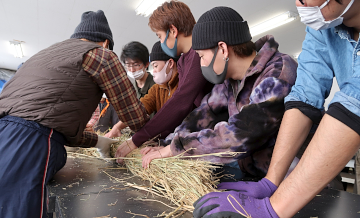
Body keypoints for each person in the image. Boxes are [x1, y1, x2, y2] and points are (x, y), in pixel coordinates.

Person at [192, 0, 360, 218]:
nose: (300, 3)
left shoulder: (279, 68)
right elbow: (304, 98)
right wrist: (270, 182)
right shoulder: (323, 28)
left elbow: (353, 104)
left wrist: (274, 209)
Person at [0, 10, 148, 218]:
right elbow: (135, 116)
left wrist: (99, 140)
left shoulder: (45, 54)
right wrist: (150, 139)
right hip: (26, 144)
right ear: (106, 42)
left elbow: (53, 120)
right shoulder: (101, 55)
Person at [141, 6, 298, 178]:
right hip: (254, 176)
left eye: (201, 56)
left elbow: (241, 134)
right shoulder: (229, 82)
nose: (201, 64)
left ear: (222, 49)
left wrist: (175, 149)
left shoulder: (278, 72)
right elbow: (203, 114)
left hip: (297, 184)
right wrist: (167, 143)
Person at [111, 1, 214, 159]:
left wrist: (136, 140)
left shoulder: (197, 54)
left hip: (216, 134)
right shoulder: (183, 61)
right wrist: (163, 142)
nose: (161, 42)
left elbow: (180, 102)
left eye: (159, 36)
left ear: (172, 30)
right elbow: (183, 111)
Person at [105, 41, 179, 137]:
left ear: (170, 63)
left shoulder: (181, 86)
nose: (131, 69)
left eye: (155, 66)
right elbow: (139, 110)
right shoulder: (157, 89)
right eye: (128, 65)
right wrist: (117, 127)